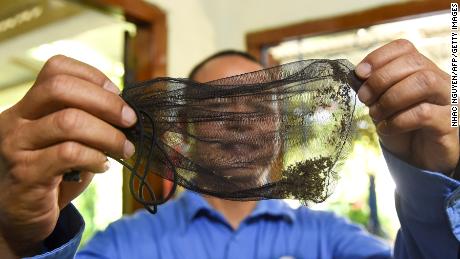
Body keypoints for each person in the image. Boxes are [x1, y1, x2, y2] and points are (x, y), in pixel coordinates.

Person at [0, 39, 458, 258]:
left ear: (279, 128)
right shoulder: (125, 245)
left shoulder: (331, 240)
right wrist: (17, 239)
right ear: (181, 128)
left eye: (258, 103)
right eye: (218, 102)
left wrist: (435, 180)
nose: (240, 121)